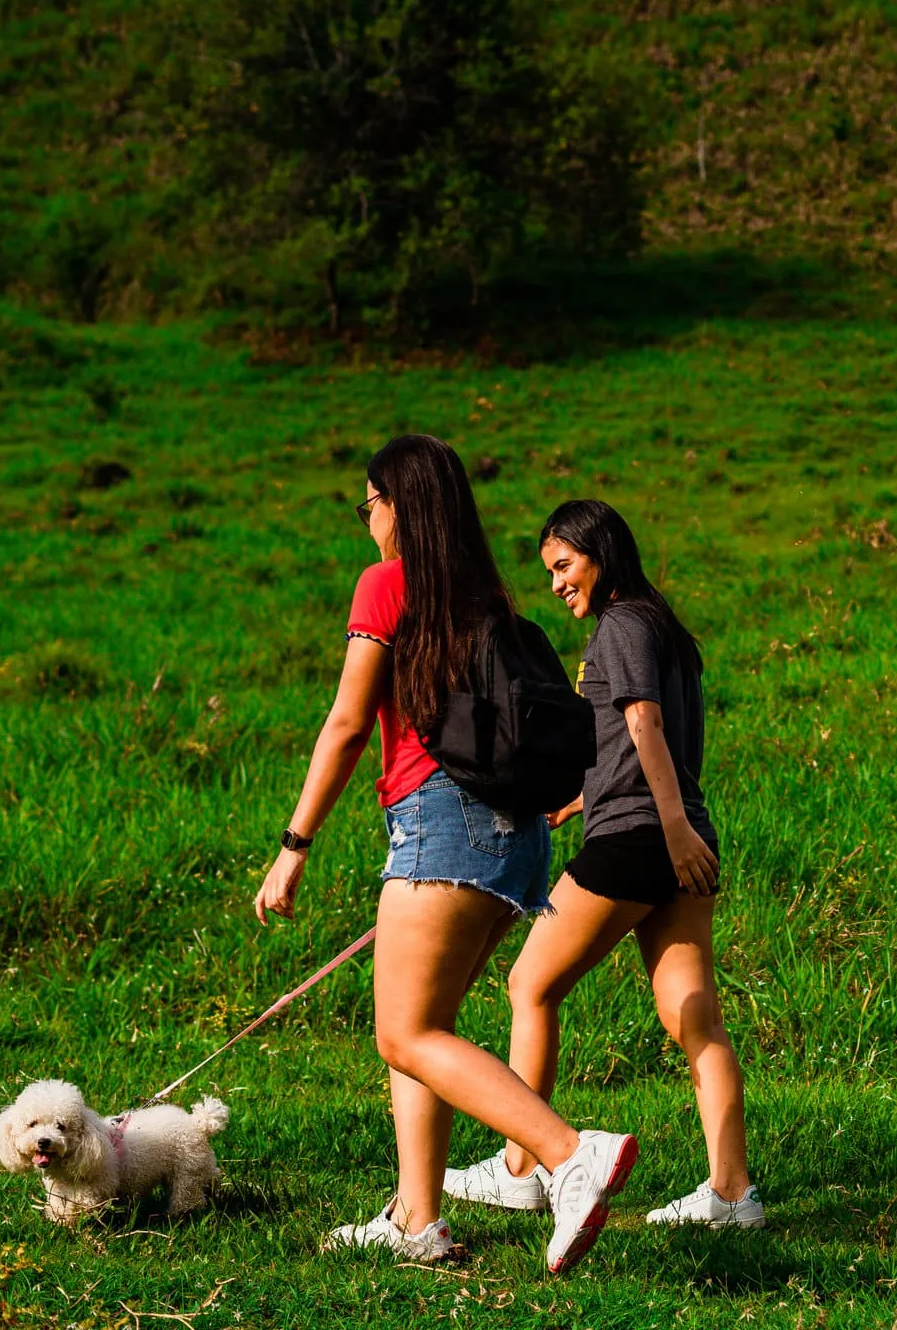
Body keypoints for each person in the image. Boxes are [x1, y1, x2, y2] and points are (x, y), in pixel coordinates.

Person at [251, 436, 636, 1272]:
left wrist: (294, 845)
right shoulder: (485, 598)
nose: (367, 522)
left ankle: (571, 1154)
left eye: (370, 504)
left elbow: (350, 722)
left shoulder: (389, 585)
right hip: (516, 839)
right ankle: (417, 1220)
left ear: (399, 504)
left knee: (406, 1031)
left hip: (443, 822)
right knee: (425, 1028)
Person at [442, 499, 762, 1228]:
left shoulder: (620, 627)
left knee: (530, 983)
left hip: (645, 839)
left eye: (564, 566)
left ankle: (522, 1168)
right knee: (695, 1019)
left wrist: (668, 827)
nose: (556, 584)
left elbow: (644, 724)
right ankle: (733, 1195)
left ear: (600, 554)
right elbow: (644, 739)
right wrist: (583, 798)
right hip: (675, 838)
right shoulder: (665, 632)